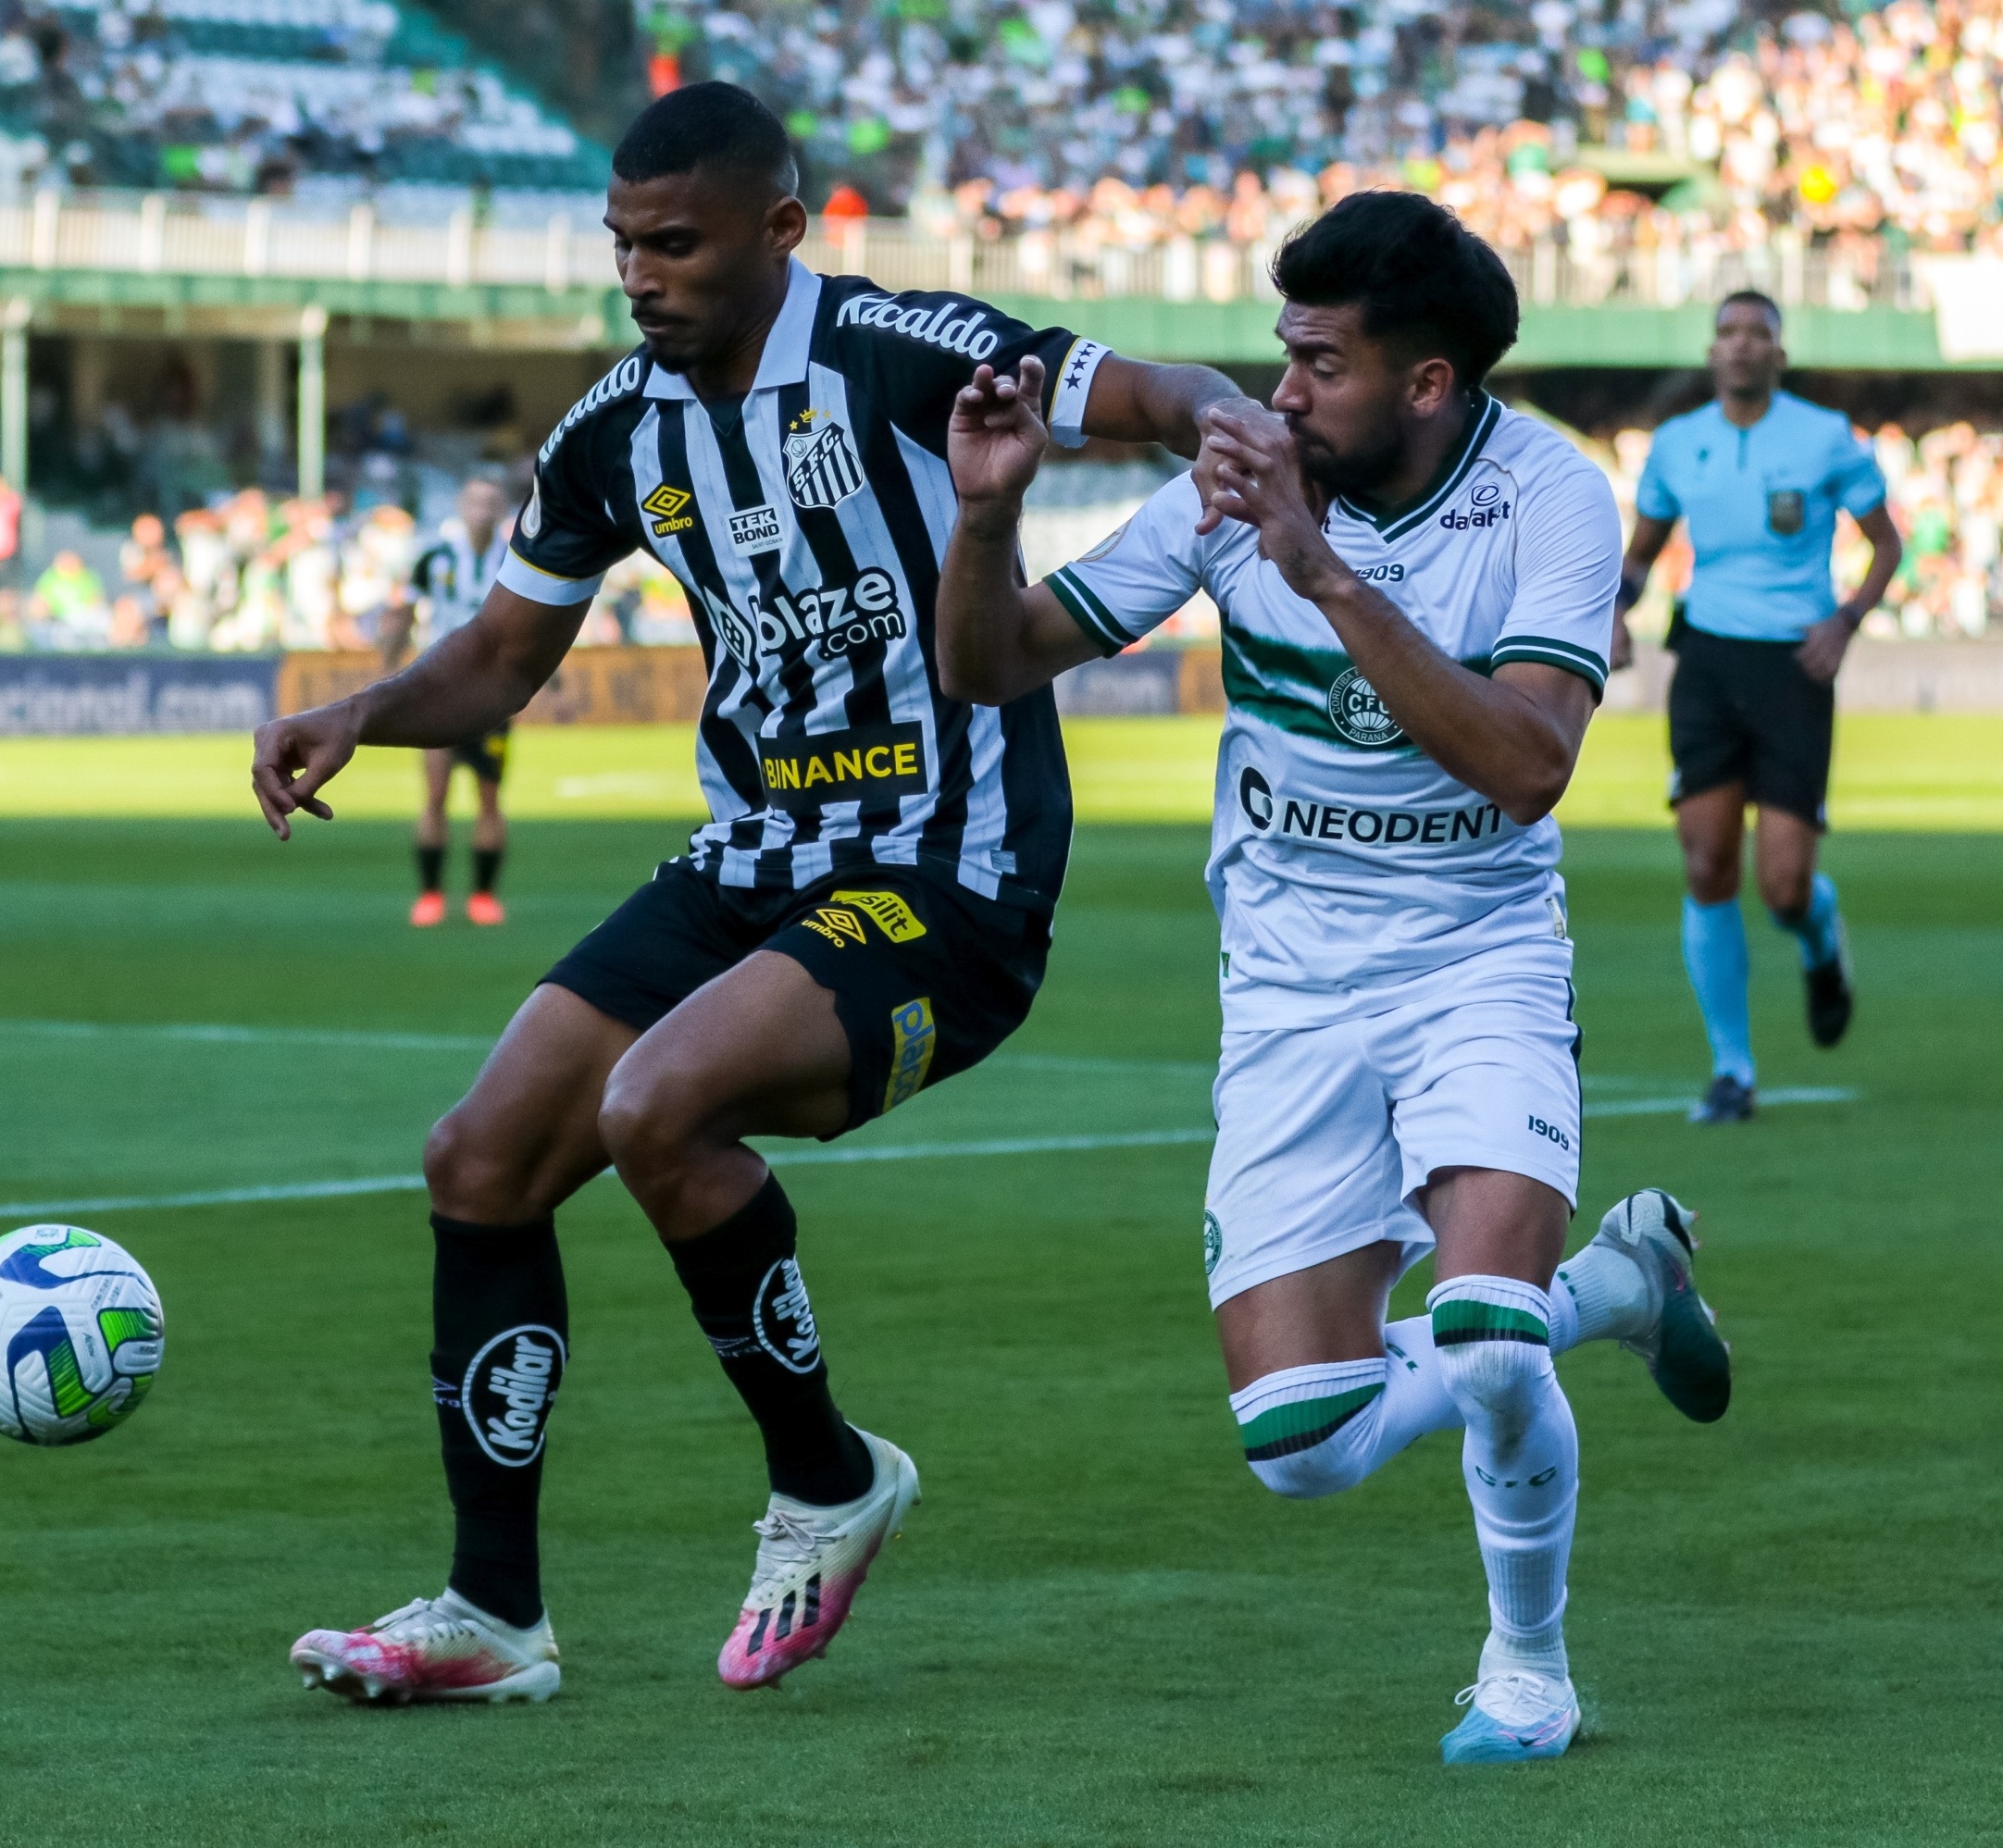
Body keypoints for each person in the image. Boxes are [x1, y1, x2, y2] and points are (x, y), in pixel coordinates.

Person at [249, 80, 1242, 1705]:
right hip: (750, 858)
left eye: (678, 243)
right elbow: (507, 656)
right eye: (623, 244)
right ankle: (492, 1615)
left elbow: (1142, 387)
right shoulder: (612, 430)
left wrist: (1233, 416)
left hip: (945, 869)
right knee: (479, 1157)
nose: (641, 275)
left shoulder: (898, 351)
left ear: (780, 230)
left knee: (659, 1104)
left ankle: (828, 1478)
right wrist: (363, 709)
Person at [932, 190, 1734, 1764]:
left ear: (1426, 385)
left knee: (1490, 1328)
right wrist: (981, 514)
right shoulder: (1229, 487)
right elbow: (988, 663)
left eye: (1318, 364)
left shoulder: (1553, 504)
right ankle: (1626, 1284)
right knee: (1296, 1445)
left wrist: (1319, 570)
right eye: (1278, 355)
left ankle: (1527, 1669)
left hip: (1473, 956)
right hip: (1290, 981)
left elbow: (1525, 767)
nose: (1277, 395)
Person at [1612, 292, 1902, 1123]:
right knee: (1705, 861)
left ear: (1779, 353)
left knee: (1781, 886)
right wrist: (1615, 612)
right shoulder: (1677, 445)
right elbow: (1643, 555)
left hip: (1792, 665)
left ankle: (1819, 933)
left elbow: (1886, 542)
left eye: (1758, 335)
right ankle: (1732, 1070)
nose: (1741, 347)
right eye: (1729, 333)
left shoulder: (1821, 436)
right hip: (1705, 657)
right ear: (1712, 352)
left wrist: (1845, 621)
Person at [384, 476, 516, 927]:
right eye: (475, 500)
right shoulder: (434, 558)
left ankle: (482, 896)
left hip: (493, 695)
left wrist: (548, 683)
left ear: (501, 509)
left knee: (488, 795)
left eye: (491, 501)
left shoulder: (515, 559)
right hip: (439, 689)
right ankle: (431, 895)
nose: (482, 509)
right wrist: (389, 666)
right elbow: (405, 609)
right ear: (461, 506)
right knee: (436, 791)